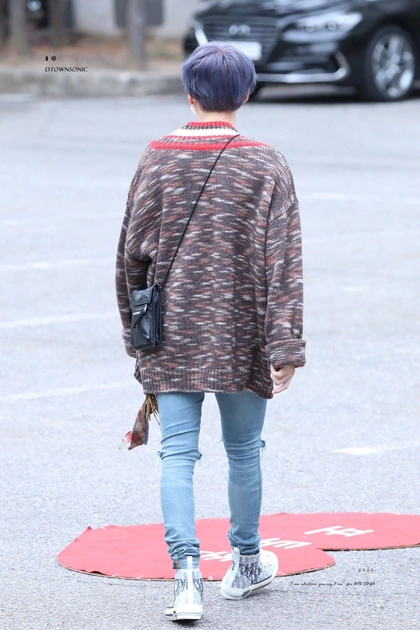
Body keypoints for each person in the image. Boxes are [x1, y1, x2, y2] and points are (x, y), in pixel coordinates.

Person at [116, 43, 306, 622]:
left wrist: (135, 335)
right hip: (244, 331)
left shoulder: (156, 158)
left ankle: (186, 580)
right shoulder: (267, 164)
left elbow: (130, 257)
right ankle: (246, 563)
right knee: (244, 451)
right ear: (246, 94)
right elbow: (284, 263)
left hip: (171, 332)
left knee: (177, 454)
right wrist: (286, 344)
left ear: (189, 94)